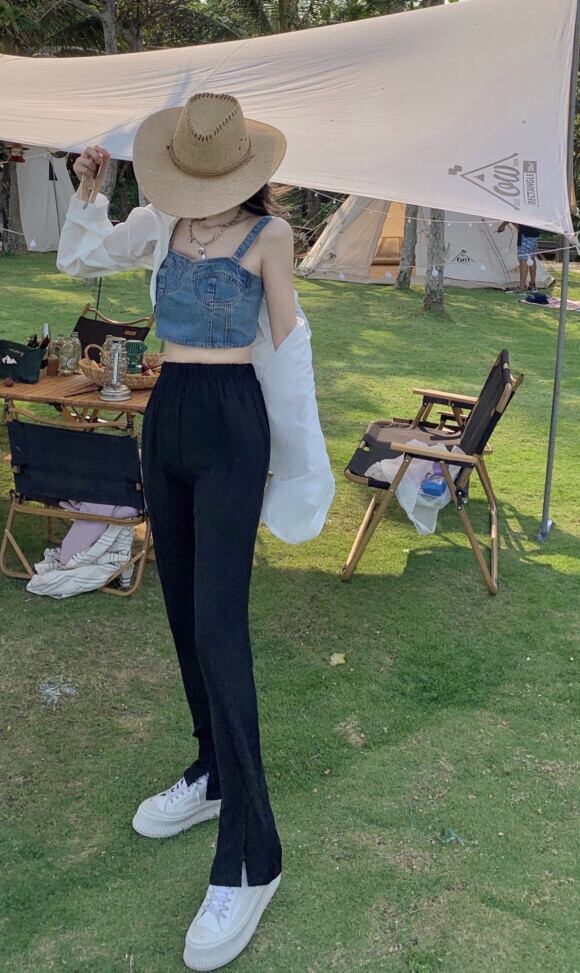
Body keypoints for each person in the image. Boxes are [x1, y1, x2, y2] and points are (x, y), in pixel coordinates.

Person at [56, 92, 334, 971]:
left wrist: (300, 466)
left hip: (230, 422)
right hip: (167, 414)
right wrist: (90, 190)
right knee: (180, 608)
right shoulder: (162, 222)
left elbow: (288, 351)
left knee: (220, 626)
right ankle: (212, 770)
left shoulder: (270, 238)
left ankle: (253, 857)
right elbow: (80, 256)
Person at [496, 220, 540, 292]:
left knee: (523, 260)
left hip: (525, 235)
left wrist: (502, 225)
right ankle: (532, 285)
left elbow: (512, 216)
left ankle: (521, 287)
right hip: (535, 233)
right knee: (531, 258)